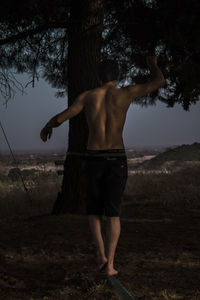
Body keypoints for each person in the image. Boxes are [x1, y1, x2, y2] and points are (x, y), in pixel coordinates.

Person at [40, 56, 165, 276]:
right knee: (113, 214)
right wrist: (152, 64)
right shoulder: (126, 93)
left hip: (94, 158)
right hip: (116, 159)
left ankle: (100, 254)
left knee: (94, 212)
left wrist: (48, 126)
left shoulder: (88, 97)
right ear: (118, 77)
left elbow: (62, 118)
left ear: (98, 77)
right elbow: (158, 82)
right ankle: (110, 265)